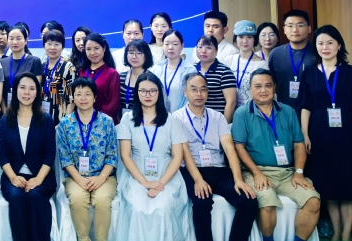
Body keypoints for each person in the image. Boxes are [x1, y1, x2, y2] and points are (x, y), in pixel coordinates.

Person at [299, 25, 352, 241]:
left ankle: (346, 234)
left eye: (330, 42)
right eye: (320, 43)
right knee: (328, 187)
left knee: (348, 187)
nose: (325, 47)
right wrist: (305, 135)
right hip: (319, 138)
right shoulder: (309, 72)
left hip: (347, 137)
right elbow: (305, 106)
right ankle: (336, 232)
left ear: (339, 45)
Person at [232, 68, 320, 241]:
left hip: (288, 173)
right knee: (267, 202)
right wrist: (256, 173)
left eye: (268, 85)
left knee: (313, 202)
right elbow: (239, 147)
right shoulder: (242, 113)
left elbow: (299, 144)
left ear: (275, 88)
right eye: (258, 86)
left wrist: (299, 172)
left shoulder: (288, 111)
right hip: (257, 172)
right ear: (250, 89)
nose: (263, 90)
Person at [174, 73, 258, 241]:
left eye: (203, 89)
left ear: (207, 92)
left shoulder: (217, 116)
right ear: (185, 92)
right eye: (194, 89)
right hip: (192, 171)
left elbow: (229, 148)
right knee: (202, 202)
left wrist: (238, 179)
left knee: (249, 202)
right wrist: (198, 180)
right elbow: (184, 152)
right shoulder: (176, 118)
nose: (199, 94)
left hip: (219, 170)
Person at [117, 72, 191, 241]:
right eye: (143, 91)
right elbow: (125, 156)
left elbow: (177, 157)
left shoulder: (172, 120)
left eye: (152, 91)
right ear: (137, 93)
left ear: (159, 93)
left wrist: (160, 184)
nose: (148, 95)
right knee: (138, 208)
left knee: (163, 208)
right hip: (137, 176)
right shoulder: (127, 119)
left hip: (167, 176)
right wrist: (145, 182)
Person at [57, 77, 118, 241]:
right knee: (77, 199)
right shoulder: (65, 124)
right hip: (75, 177)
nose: (83, 98)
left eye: (87, 94)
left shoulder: (107, 122)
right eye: (78, 94)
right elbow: (65, 158)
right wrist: (79, 179)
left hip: (104, 177)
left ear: (95, 97)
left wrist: (101, 178)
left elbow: (112, 156)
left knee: (102, 200)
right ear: (73, 97)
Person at [0, 72, 57, 241]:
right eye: (22, 88)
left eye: (32, 89)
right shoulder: (5, 120)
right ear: (15, 90)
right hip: (13, 175)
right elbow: (3, 155)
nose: (26, 92)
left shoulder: (46, 119)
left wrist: (38, 179)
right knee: (16, 197)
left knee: (35, 196)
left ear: (37, 92)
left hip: (41, 176)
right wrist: (13, 177)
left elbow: (50, 154)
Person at [268, 9, 315, 111]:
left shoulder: (318, 53)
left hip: (313, 111)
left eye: (300, 25)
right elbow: (271, 83)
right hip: (283, 111)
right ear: (284, 29)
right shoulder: (276, 54)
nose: (295, 30)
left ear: (309, 28)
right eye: (290, 26)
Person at [78, 32, 121, 123]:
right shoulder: (81, 71)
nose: (92, 53)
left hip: (104, 123)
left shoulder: (112, 74)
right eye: (88, 49)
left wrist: (96, 120)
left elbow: (113, 102)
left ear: (104, 48)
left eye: (96, 48)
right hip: (82, 122)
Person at [194, 35, 237, 125]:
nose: (203, 51)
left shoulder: (225, 72)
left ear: (216, 51)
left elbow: (231, 103)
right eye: (200, 47)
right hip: (194, 122)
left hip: (216, 123)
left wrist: (223, 126)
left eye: (208, 47)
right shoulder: (191, 70)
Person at [224, 20, 268, 107]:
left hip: (252, 111)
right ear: (235, 38)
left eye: (249, 37)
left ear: (254, 39)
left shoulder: (262, 65)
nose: (245, 41)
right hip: (229, 109)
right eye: (241, 37)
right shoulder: (228, 61)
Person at [1, 23, 44, 110]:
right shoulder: (2, 62)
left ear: (26, 40)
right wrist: (5, 112)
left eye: (19, 38)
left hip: (28, 109)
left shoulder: (35, 61)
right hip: (7, 110)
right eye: (11, 38)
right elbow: (0, 91)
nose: (15, 42)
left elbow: (35, 89)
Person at [150, 29, 194, 112]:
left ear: (182, 46)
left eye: (175, 44)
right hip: (159, 116)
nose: (170, 47)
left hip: (182, 116)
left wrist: (180, 116)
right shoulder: (156, 69)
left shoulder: (190, 70)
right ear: (162, 45)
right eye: (167, 44)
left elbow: (191, 98)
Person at [41, 29, 77, 125]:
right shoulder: (41, 66)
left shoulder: (68, 67)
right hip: (41, 119)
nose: (52, 48)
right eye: (49, 44)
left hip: (61, 119)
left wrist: (65, 122)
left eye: (57, 44)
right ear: (44, 46)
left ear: (62, 47)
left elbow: (72, 98)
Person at [119, 39, 154, 118]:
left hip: (144, 121)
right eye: (131, 53)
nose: (134, 56)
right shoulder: (120, 77)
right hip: (122, 122)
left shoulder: (152, 79)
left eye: (139, 53)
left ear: (146, 55)